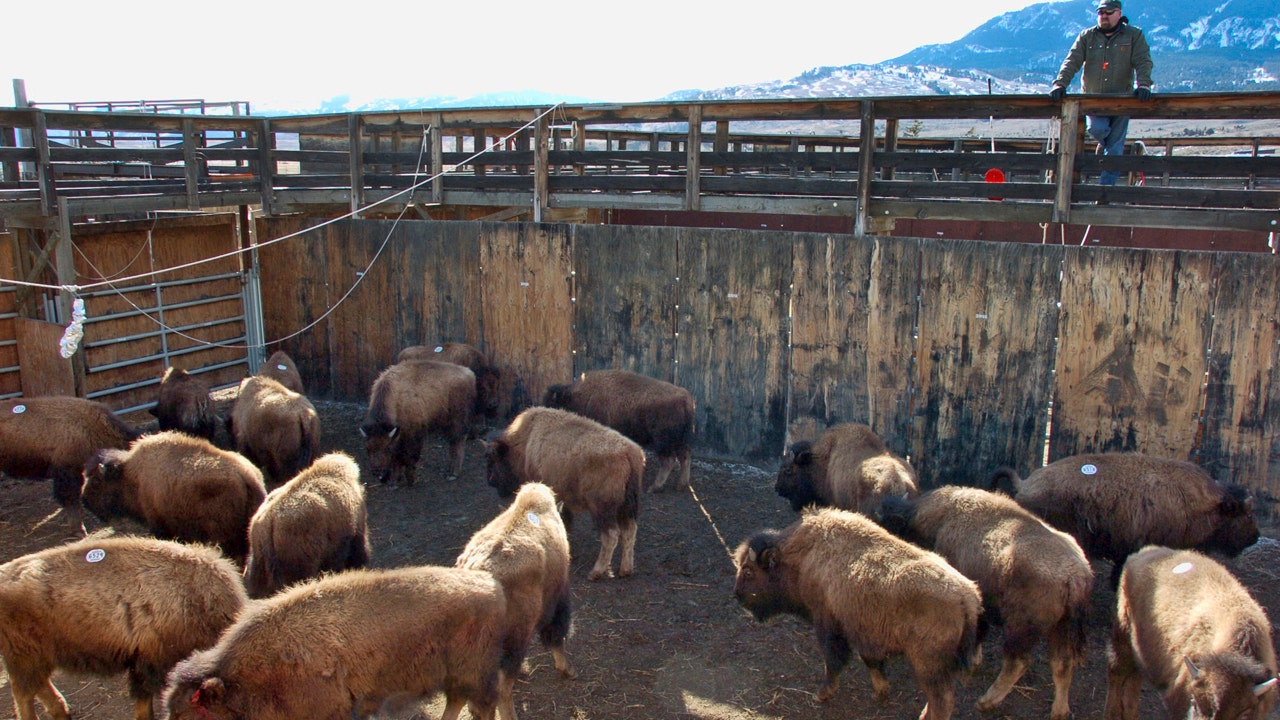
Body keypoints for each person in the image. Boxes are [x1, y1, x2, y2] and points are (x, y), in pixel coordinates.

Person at [1049, 0, 1154, 186]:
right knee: (1096, 129)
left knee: (1115, 150)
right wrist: (1060, 84)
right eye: (1100, 12)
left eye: (1108, 12)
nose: (1104, 15)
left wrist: (1144, 85)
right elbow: (1072, 61)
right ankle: (1103, 143)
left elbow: (1142, 61)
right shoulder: (1087, 36)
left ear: (1119, 13)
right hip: (1093, 99)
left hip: (1122, 100)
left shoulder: (1133, 35)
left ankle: (1104, 192)